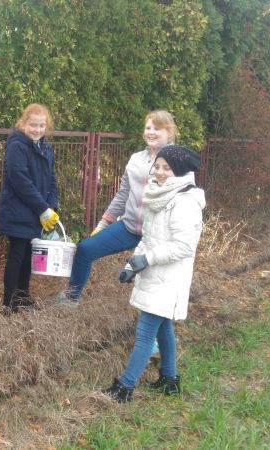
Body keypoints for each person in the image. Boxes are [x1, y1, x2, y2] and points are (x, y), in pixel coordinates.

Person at [103, 145, 205, 402]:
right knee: (163, 328)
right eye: (157, 166)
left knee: (146, 332)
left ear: (179, 171)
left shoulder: (185, 201)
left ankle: (124, 388)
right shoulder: (157, 195)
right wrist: (131, 266)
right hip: (154, 275)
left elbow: (184, 246)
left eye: (166, 168)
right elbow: (149, 239)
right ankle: (170, 380)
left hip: (170, 278)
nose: (159, 172)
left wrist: (146, 259)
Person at [57, 110, 177, 306]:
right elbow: (123, 194)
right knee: (85, 249)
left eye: (157, 128)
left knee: (154, 282)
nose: (151, 132)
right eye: (148, 128)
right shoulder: (136, 159)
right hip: (129, 228)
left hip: (158, 233)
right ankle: (70, 300)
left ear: (169, 132)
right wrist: (104, 223)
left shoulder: (177, 160)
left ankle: (158, 315)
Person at [0, 104, 60, 315]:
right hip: (18, 211)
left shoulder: (45, 148)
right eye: (33, 125)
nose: (37, 129)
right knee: (16, 255)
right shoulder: (17, 146)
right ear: (23, 124)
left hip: (36, 212)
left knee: (29, 255)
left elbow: (51, 179)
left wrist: (51, 205)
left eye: (41, 125)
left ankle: (22, 296)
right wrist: (42, 208)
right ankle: (8, 303)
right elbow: (20, 181)